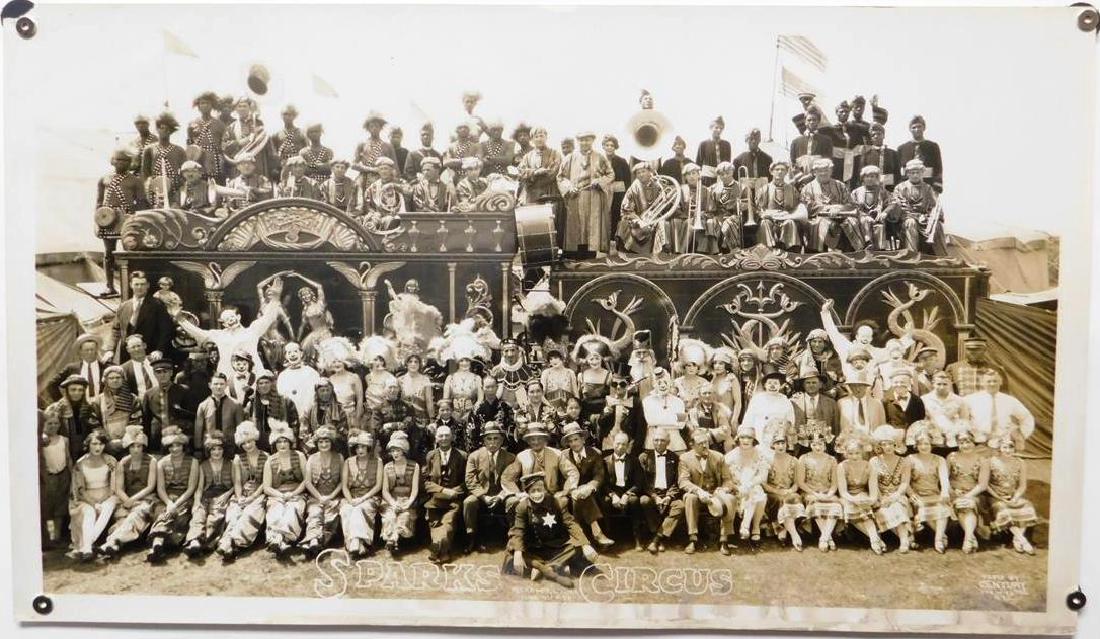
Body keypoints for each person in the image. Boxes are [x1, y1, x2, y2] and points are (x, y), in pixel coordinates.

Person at [501, 472, 598, 589]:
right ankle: (550, 568)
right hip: (533, 547)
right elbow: (518, 530)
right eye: (533, 491)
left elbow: (570, 523)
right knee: (512, 552)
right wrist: (517, 553)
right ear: (527, 493)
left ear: (545, 490)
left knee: (576, 549)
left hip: (555, 547)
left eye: (539, 490)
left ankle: (541, 568)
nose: (537, 494)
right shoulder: (522, 507)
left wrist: (585, 544)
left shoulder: (557, 502)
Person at [97, 425, 158, 557]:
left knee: (135, 515)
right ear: (127, 447)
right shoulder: (123, 462)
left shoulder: (151, 461)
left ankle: (111, 542)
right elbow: (118, 488)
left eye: (139, 446)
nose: (136, 450)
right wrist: (127, 500)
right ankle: (115, 545)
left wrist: (133, 500)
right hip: (127, 498)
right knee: (123, 519)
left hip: (146, 498)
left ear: (143, 447)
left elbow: (150, 486)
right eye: (132, 446)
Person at [96, 149, 148, 297]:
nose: (121, 163)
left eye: (125, 160)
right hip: (107, 220)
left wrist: (131, 215)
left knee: (129, 252)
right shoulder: (104, 179)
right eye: (118, 160)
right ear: (112, 161)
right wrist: (98, 220)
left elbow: (142, 203)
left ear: (130, 163)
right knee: (108, 254)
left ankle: (131, 287)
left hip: (127, 219)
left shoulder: (135, 181)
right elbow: (99, 203)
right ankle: (110, 286)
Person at [214, 421, 269, 561]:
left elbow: (266, 483)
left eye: (250, 441)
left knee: (250, 514)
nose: (247, 446)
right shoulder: (238, 459)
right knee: (234, 513)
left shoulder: (267, 457)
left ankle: (234, 543)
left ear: (255, 439)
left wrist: (253, 497)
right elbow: (237, 482)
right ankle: (227, 541)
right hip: (242, 495)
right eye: (244, 443)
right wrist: (239, 498)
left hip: (259, 495)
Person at [146, 426, 199, 562]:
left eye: (178, 445)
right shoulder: (161, 463)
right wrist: (169, 503)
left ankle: (162, 542)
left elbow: (191, 488)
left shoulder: (193, 462)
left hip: (185, 497)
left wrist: (176, 504)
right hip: (166, 497)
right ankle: (157, 543)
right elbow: (161, 488)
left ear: (183, 446)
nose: (174, 449)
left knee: (180, 515)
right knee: (163, 512)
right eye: (171, 446)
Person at [678, 431, 736, 555]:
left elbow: (728, 480)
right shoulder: (685, 458)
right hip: (697, 493)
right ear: (692, 445)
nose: (705, 446)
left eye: (706, 442)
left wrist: (723, 490)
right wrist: (698, 491)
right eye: (700, 443)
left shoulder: (718, 456)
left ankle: (724, 539)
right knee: (690, 498)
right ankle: (692, 538)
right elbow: (683, 481)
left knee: (730, 498)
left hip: (716, 494)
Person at [500, 423, 579, 513]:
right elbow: (506, 477)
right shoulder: (522, 456)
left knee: (563, 502)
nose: (536, 442)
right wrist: (518, 494)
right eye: (533, 439)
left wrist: (565, 491)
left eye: (539, 439)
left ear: (545, 440)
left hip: (551, 495)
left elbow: (572, 472)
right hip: (529, 496)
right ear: (528, 441)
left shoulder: (556, 454)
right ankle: (518, 527)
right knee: (511, 502)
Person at [558, 131, 613, 258]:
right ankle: (573, 259)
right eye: (582, 140)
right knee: (575, 229)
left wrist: (599, 181)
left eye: (587, 140)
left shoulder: (600, 157)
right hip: (575, 197)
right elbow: (560, 177)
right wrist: (569, 187)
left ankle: (590, 259)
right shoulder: (570, 158)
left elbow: (610, 174)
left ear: (592, 141)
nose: (584, 143)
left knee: (591, 230)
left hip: (593, 197)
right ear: (578, 141)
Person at [560, 423, 614, 548]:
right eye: (570, 441)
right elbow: (563, 477)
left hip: (592, 492)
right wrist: (572, 490)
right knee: (579, 497)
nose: (574, 443)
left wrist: (589, 488)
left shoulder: (594, 453)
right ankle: (597, 533)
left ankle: (580, 538)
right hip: (571, 491)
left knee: (583, 497)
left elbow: (599, 476)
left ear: (583, 439)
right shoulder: (564, 455)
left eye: (576, 439)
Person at [463, 423, 516, 552]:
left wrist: (501, 496)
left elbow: (512, 481)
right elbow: (469, 480)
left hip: (502, 493)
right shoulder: (474, 456)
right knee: (469, 502)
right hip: (481, 494)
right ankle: (472, 536)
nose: (492, 442)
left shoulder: (510, 457)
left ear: (502, 440)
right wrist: (483, 496)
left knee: (514, 502)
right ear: (483, 440)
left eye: (496, 438)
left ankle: (514, 538)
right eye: (489, 438)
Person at [67, 430, 118, 561]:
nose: (98, 447)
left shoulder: (110, 461)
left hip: (107, 495)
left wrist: (103, 500)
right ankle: (88, 548)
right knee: (89, 512)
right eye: (94, 444)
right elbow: (80, 490)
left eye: (101, 444)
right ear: (88, 445)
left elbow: (113, 486)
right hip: (87, 497)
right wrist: (94, 503)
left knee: (107, 507)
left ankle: (86, 546)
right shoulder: (80, 463)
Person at [183, 431, 235, 557]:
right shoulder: (203, 465)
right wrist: (196, 502)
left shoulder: (231, 463)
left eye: (219, 449)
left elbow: (236, 485)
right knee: (198, 515)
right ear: (208, 451)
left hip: (223, 495)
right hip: (207, 495)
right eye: (213, 449)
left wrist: (227, 495)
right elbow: (200, 488)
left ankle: (205, 542)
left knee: (214, 518)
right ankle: (194, 540)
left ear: (224, 450)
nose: (216, 452)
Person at [262, 421, 308, 558]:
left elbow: (307, 480)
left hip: (297, 493)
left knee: (292, 510)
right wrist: (280, 496)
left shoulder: (299, 456)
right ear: (274, 444)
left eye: (285, 441)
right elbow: (267, 487)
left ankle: (281, 540)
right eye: (279, 442)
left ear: (290, 442)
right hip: (277, 494)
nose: (282, 445)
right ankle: (276, 540)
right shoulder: (270, 461)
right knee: (276, 511)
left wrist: (293, 493)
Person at [106, 271, 174, 363]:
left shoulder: (157, 305)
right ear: (131, 285)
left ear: (148, 285)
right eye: (136, 284)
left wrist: (159, 350)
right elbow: (115, 330)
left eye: (142, 284)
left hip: (150, 355)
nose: (139, 287)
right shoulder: (123, 306)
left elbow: (166, 330)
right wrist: (110, 350)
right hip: (127, 356)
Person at [423, 426, 468, 563]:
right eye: (440, 436)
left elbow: (467, 482)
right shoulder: (430, 456)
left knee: (448, 523)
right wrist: (442, 490)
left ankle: (437, 548)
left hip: (453, 499)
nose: (444, 439)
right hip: (435, 499)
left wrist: (454, 491)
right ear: (436, 438)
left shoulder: (462, 456)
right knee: (435, 524)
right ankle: (443, 551)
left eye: (447, 435)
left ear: (452, 437)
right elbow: (426, 481)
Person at [986, 437, 1038, 554]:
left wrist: (1015, 497)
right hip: (995, 496)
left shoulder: (1020, 462)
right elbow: (986, 485)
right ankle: (1023, 541)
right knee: (1004, 511)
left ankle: (1017, 539)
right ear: (999, 448)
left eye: (1011, 447)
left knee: (1027, 506)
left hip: (1013, 495)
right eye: (1005, 447)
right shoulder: (990, 461)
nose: (1008, 450)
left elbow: (1022, 485)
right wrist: (999, 497)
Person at [907, 425, 953, 553]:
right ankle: (942, 536)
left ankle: (938, 539)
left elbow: (944, 479)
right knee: (923, 506)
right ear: (916, 445)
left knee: (942, 506)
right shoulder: (910, 459)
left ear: (931, 444)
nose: (924, 446)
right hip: (918, 495)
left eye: (926, 443)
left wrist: (944, 492)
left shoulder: (940, 460)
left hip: (934, 493)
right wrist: (911, 494)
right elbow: (905, 482)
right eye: (920, 444)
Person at [299, 425, 344, 558]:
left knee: (330, 519)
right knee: (315, 514)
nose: (324, 444)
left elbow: (342, 481)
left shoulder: (339, 457)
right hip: (316, 496)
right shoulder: (312, 458)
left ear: (331, 442)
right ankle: (313, 540)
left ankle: (319, 541)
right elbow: (307, 482)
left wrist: (330, 496)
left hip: (333, 496)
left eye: (327, 441)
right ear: (317, 443)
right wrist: (319, 497)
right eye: (321, 442)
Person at [801, 158, 863, 252]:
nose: (823, 173)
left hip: (841, 216)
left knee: (852, 222)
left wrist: (839, 208)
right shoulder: (807, 188)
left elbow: (851, 203)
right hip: (817, 217)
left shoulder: (840, 185)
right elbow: (808, 207)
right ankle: (817, 254)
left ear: (831, 171)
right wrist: (829, 209)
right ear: (814, 173)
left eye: (826, 170)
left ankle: (854, 252)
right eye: (820, 171)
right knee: (822, 224)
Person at [836, 438, 887, 554]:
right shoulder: (842, 466)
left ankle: (874, 539)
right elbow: (843, 492)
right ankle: (876, 539)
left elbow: (873, 490)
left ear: (862, 452)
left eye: (857, 453)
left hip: (862, 494)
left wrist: (871, 500)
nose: (854, 456)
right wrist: (854, 500)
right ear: (846, 453)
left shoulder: (868, 466)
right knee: (853, 507)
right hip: (847, 496)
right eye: (851, 453)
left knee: (864, 508)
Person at [868, 425, 913, 553]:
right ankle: (908, 538)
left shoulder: (904, 461)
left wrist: (895, 496)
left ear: (895, 444)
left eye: (890, 444)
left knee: (897, 506)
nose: (887, 447)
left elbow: (904, 483)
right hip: (880, 496)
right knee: (885, 509)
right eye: (884, 444)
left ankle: (904, 541)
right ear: (880, 446)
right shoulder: (874, 461)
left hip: (898, 495)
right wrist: (881, 498)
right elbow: (873, 484)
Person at [637, 429, 683, 554]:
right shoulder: (644, 457)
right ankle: (660, 537)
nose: (659, 443)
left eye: (662, 440)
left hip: (668, 493)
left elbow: (677, 481)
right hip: (652, 494)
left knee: (679, 505)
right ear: (652, 441)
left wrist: (669, 496)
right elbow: (643, 482)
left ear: (668, 442)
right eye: (656, 440)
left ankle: (656, 539)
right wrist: (654, 496)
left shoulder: (675, 458)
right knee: (644, 501)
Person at [339, 429, 383, 559]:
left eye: (363, 447)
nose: (360, 450)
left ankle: (355, 542)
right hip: (351, 496)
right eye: (358, 447)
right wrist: (350, 499)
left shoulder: (378, 461)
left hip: (370, 496)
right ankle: (359, 543)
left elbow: (378, 486)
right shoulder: (348, 461)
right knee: (346, 509)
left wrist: (362, 499)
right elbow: (345, 486)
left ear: (369, 447)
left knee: (359, 509)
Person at [796, 433, 843, 552]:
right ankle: (828, 538)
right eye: (814, 444)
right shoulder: (804, 458)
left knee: (836, 505)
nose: (817, 447)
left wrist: (829, 494)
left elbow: (834, 483)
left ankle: (824, 537)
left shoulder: (832, 460)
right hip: (810, 492)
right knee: (815, 504)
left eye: (820, 444)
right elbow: (801, 482)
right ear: (810, 444)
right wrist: (815, 494)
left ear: (825, 444)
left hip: (828, 492)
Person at [964, 370, 1035, 449]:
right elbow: (959, 418)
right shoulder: (970, 399)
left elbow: (1027, 417)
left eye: (995, 381)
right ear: (982, 383)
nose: (992, 384)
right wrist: (968, 433)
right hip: (978, 442)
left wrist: (1020, 436)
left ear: (1000, 382)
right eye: (989, 381)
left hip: (1002, 444)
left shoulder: (1010, 400)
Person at [724, 425, 770, 544]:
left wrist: (750, 484)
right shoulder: (731, 455)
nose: (745, 441)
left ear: (753, 440)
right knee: (757, 495)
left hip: (753, 486)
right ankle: (749, 527)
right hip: (736, 487)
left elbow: (763, 475)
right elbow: (725, 474)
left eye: (749, 438)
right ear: (738, 439)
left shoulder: (759, 454)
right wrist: (736, 486)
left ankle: (752, 526)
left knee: (759, 495)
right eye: (742, 437)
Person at [947, 430, 990, 553]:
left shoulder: (983, 460)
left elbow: (982, 485)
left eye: (968, 442)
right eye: (961, 442)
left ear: (973, 442)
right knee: (961, 504)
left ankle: (967, 539)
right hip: (954, 493)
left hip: (975, 493)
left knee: (967, 504)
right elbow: (944, 479)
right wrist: (952, 492)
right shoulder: (951, 457)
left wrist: (967, 495)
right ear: (957, 444)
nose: (965, 445)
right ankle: (971, 537)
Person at [892, 158, 945, 254]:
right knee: (911, 223)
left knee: (937, 225)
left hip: (924, 220)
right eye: (912, 173)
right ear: (907, 174)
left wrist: (929, 217)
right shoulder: (900, 188)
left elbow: (935, 207)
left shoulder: (928, 188)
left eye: (918, 172)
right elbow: (900, 207)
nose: (915, 175)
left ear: (922, 173)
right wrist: (916, 217)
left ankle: (941, 256)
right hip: (906, 220)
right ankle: (911, 255)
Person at [379, 432, 420, 556]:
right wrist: (393, 503)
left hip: (408, 500)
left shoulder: (414, 466)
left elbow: (415, 489)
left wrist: (408, 503)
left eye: (397, 450)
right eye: (392, 451)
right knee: (390, 517)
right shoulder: (387, 467)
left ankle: (394, 539)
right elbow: (385, 490)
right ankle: (392, 540)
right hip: (392, 500)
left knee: (405, 516)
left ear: (403, 450)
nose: (395, 454)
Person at [602, 432, 644, 549]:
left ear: (628, 446)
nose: (620, 447)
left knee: (635, 501)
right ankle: (607, 536)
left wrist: (627, 494)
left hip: (628, 491)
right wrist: (612, 495)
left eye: (624, 444)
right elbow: (603, 483)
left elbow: (639, 483)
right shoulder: (605, 461)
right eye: (618, 443)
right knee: (605, 501)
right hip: (612, 492)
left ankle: (637, 538)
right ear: (613, 443)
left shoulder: (634, 461)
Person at [763, 434, 805, 550]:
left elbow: (797, 482)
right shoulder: (767, 460)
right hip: (773, 492)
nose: (780, 446)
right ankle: (792, 535)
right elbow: (763, 483)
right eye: (777, 443)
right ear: (772, 445)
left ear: (787, 444)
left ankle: (786, 531)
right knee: (779, 499)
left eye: (783, 443)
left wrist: (790, 490)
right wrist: (777, 491)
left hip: (788, 491)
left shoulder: (794, 460)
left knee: (794, 497)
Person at [613, 162, 664, 255]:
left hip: (655, 217)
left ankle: (658, 253)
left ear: (650, 172)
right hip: (636, 216)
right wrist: (638, 220)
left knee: (662, 224)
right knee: (623, 224)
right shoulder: (633, 188)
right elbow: (626, 208)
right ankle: (629, 253)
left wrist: (653, 216)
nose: (641, 175)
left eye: (643, 171)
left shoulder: (658, 186)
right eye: (638, 173)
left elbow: (664, 204)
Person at [39, 409, 72, 549]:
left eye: (56, 423)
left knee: (61, 505)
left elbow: (68, 458)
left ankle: (57, 536)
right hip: (49, 477)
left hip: (63, 474)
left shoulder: (64, 440)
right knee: (48, 506)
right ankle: (50, 536)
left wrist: (72, 475)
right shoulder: (42, 441)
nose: (53, 426)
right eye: (49, 423)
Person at [755, 160, 807, 251]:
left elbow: (797, 208)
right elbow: (759, 209)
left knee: (790, 223)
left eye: (783, 170)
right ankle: (766, 251)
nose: (780, 172)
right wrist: (764, 214)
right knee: (764, 223)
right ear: (771, 172)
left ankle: (791, 253)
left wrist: (789, 215)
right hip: (770, 219)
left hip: (787, 218)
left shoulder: (792, 190)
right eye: (777, 169)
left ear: (786, 172)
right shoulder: (764, 189)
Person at [222, 97, 276, 181]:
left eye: (244, 106)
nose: (242, 108)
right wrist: (239, 143)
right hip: (240, 166)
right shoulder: (231, 127)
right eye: (239, 106)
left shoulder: (260, 124)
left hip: (258, 164)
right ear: (235, 109)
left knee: (260, 186)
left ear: (249, 108)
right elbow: (224, 146)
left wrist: (273, 167)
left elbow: (270, 148)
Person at [140, 112, 187, 207]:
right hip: (155, 188)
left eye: (168, 129)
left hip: (173, 188)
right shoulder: (149, 149)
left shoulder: (179, 150)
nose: (165, 131)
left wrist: (178, 186)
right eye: (161, 128)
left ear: (171, 131)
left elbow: (184, 173)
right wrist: (149, 187)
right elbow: (145, 173)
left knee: (174, 214)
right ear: (157, 129)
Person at [50, 376, 103, 460]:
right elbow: (47, 430)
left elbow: (96, 426)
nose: (77, 393)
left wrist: (95, 436)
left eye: (80, 390)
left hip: (84, 448)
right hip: (64, 449)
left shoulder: (88, 407)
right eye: (73, 390)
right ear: (67, 391)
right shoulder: (56, 408)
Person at [741, 368, 795, 449]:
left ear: (780, 386)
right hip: (759, 434)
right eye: (769, 383)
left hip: (777, 436)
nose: (772, 386)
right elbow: (748, 418)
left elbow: (790, 420)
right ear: (765, 385)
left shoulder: (785, 400)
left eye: (776, 383)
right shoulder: (757, 398)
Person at [193, 373, 245, 458]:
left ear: (226, 385)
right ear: (210, 385)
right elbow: (198, 429)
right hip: (209, 448)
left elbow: (240, 428)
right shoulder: (203, 405)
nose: (219, 387)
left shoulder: (236, 405)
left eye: (221, 384)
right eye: (216, 384)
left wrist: (239, 447)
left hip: (230, 448)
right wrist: (198, 448)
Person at [791, 367, 839, 454]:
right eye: (808, 383)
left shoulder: (831, 402)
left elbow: (835, 426)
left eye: (814, 382)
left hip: (824, 443)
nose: (811, 385)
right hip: (802, 444)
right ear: (803, 385)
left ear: (820, 384)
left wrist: (834, 444)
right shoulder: (794, 402)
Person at [851, 165, 900, 250]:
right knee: (865, 221)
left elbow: (893, 202)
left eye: (872, 176)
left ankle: (879, 250)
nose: (869, 179)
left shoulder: (882, 191)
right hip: (860, 217)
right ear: (863, 178)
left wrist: (885, 212)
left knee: (880, 225)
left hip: (878, 217)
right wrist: (864, 216)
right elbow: (852, 206)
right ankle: (866, 244)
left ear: (877, 178)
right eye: (867, 176)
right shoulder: (856, 192)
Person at [922, 371, 972, 451]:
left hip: (953, 442)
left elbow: (964, 421)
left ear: (951, 383)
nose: (942, 387)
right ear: (933, 383)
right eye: (938, 384)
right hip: (932, 442)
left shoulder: (959, 400)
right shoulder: (924, 400)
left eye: (945, 384)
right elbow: (922, 422)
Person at [249, 371, 298, 450]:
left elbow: (294, 423)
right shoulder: (252, 403)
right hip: (260, 444)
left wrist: (294, 440)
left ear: (272, 384)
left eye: (267, 382)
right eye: (261, 383)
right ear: (257, 386)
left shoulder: (285, 401)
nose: (264, 385)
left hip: (281, 443)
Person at [642, 368, 688, 452]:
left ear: (670, 384)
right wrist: (673, 420)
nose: (663, 386)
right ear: (654, 384)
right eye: (659, 383)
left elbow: (681, 424)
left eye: (665, 382)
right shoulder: (647, 401)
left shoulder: (679, 402)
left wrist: (659, 422)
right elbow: (651, 421)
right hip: (654, 443)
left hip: (676, 445)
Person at [825, 101, 869, 186]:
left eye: (846, 111)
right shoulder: (831, 130)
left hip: (852, 161)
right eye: (841, 111)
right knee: (837, 183)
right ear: (836, 113)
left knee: (851, 184)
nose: (844, 114)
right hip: (837, 162)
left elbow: (870, 131)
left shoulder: (856, 128)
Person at [98, 366, 138, 457]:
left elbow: (136, 421)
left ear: (123, 379)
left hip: (128, 444)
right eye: (111, 378)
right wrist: (107, 442)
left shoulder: (133, 399)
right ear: (106, 380)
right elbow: (95, 423)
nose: (115, 380)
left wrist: (125, 441)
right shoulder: (98, 400)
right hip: (106, 445)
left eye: (118, 377)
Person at [837, 370, 886, 444]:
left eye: (860, 385)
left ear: (866, 386)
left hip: (872, 444)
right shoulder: (842, 403)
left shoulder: (877, 403)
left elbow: (882, 426)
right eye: (854, 385)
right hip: (851, 447)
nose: (857, 389)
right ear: (849, 386)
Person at [352, 111, 398, 191]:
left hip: (383, 180)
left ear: (381, 127)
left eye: (377, 126)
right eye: (371, 126)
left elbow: (395, 168)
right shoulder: (362, 144)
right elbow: (353, 165)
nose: (374, 128)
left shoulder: (388, 146)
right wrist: (371, 169)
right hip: (364, 179)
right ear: (368, 128)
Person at [277, 342, 321, 423]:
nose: (292, 355)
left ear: (301, 353)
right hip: (290, 416)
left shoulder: (311, 373)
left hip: (309, 415)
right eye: (289, 352)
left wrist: (307, 412)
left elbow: (316, 395)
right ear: (285, 356)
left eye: (295, 351)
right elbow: (281, 398)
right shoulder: (282, 376)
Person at [187, 91, 227, 182]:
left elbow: (225, 145)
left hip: (216, 162)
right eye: (202, 103)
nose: (204, 105)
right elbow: (189, 146)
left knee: (216, 190)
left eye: (207, 103)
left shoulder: (220, 124)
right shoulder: (192, 124)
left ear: (212, 105)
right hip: (198, 161)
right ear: (198, 106)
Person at [897, 115, 943, 193]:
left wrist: (937, 188)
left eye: (919, 127)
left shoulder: (932, 146)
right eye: (914, 127)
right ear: (910, 129)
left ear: (924, 128)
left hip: (929, 186)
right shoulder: (902, 148)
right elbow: (898, 171)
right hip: (907, 189)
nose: (917, 129)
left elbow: (938, 168)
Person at [517, 127, 562, 205]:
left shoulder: (555, 154)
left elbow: (553, 172)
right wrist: (535, 172)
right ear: (532, 139)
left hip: (550, 192)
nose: (539, 139)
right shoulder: (527, 157)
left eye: (541, 136)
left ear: (546, 137)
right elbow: (521, 172)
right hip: (532, 194)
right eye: (536, 137)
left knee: (551, 215)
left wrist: (531, 175)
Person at [303, 378, 351, 452]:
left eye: (327, 390)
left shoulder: (339, 408)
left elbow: (345, 431)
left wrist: (332, 433)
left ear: (332, 391)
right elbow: (305, 430)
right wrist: (315, 437)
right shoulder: (310, 409)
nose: (325, 393)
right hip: (315, 445)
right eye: (322, 391)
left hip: (336, 445)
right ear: (317, 393)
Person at [789, 108, 834, 184]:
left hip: (819, 179)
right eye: (809, 120)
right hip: (800, 181)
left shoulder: (826, 141)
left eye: (814, 120)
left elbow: (828, 162)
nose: (812, 122)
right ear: (805, 122)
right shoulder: (795, 142)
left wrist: (812, 175)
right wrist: (800, 177)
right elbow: (793, 163)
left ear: (818, 122)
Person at [322, 355, 363, 431]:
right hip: (335, 418)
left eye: (339, 361)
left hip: (351, 417)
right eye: (334, 362)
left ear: (345, 362)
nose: (337, 364)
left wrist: (357, 419)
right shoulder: (330, 379)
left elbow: (360, 400)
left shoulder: (354, 377)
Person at [602, 135, 631, 239]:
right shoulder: (600, 160)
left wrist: (627, 194)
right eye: (607, 145)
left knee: (616, 214)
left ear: (615, 147)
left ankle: (616, 239)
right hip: (604, 192)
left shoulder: (622, 161)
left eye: (612, 145)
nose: (610, 147)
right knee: (604, 215)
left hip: (619, 192)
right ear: (603, 146)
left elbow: (628, 179)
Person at [688, 386, 733, 453]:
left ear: (714, 395)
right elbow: (695, 431)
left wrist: (707, 431)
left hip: (719, 442)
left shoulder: (721, 408)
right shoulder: (693, 411)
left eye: (709, 393)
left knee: (729, 441)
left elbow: (725, 429)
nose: (707, 396)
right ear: (700, 396)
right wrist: (715, 432)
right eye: (704, 393)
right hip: (700, 442)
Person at [858, 123, 901, 191]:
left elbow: (897, 174)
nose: (876, 136)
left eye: (879, 134)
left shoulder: (893, 154)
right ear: (871, 138)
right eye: (873, 135)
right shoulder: (866, 155)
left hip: (890, 189)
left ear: (883, 135)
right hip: (871, 189)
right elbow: (862, 175)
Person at [709, 348, 743, 426]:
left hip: (728, 419)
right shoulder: (713, 379)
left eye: (721, 363)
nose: (717, 366)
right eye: (715, 363)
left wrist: (734, 420)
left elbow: (738, 402)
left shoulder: (731, 378)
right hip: (714, 419)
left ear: (726, 365)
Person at [695, 116, 731, 185]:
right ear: (711, 128)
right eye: (716, 127)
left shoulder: (726, 145)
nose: (719, 130)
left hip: (722, 178)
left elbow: (727, 163)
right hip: (707, 179)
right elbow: (698, 163)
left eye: (721, 128)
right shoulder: (703, 144)